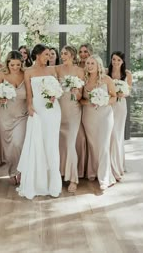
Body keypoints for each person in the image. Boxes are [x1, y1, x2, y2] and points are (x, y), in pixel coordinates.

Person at [17, 44, 62, 199]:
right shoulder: (28, 71)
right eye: (45, 54)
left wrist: (56, 95)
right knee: (37, 143)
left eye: (50, 55)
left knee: (51, 144)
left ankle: (53, 184)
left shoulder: (53, 70)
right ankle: (37, 183)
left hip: (53, 110)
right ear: (37, 55)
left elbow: (58, 89)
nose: (48, 57)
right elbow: (29, 93)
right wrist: (29, 106)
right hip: (38, 109)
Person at [80, 55, 116, 191]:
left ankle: (105, 178)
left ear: (98, 65)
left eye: (92, 63)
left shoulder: (106, 79)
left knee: (103, 145)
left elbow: (114, 96)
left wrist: (103, 101)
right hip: (89, 116)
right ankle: (93, 171)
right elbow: (80, 101)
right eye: (88, 63)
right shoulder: (83, 80)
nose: (89, 65)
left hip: (105, 115)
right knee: (93, 145)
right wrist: (90, 101)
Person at [0, 51, 28, 185]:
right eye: (12, 64)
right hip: (5, 116)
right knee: (9, 146)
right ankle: (12, 169)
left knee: (18, 143)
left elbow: (30, 93)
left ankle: (19, 170)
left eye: (18, 65)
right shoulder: (1, 74)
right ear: (8, 63)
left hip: (21, 115)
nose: (15, 67)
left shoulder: (26, 74)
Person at [56, 45, 84, 193]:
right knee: (59, 144)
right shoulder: (57, 69)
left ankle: (73, 179)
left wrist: (76, 92)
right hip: (58, 111)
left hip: (73, 111)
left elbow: (81, 96)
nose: (63, 55)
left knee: (69, 143)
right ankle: (60, 174)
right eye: (62, 53)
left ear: (72, 55)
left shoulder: (79, 71)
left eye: (65, 53)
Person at [107, 51, 132, 180]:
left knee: (117, 134)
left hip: (120, 106)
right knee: (110, 134)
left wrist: (123, 93)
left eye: (118, 60)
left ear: (122, 62)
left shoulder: (127, 74)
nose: (115, 62)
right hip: (109, 105)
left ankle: (118, 164)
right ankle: (109, 165)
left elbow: (129, 91)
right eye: (114, 59)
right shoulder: (106, 72)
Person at [76, 43, 94, 178]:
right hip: (76, 105)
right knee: (80, 137)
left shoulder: (94, 67)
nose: (83, 54)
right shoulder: (76, 67)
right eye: (81, 51)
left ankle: (90, 168)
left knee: (90, 138)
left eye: (85, 51)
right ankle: (79, 168)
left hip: (90, 107)